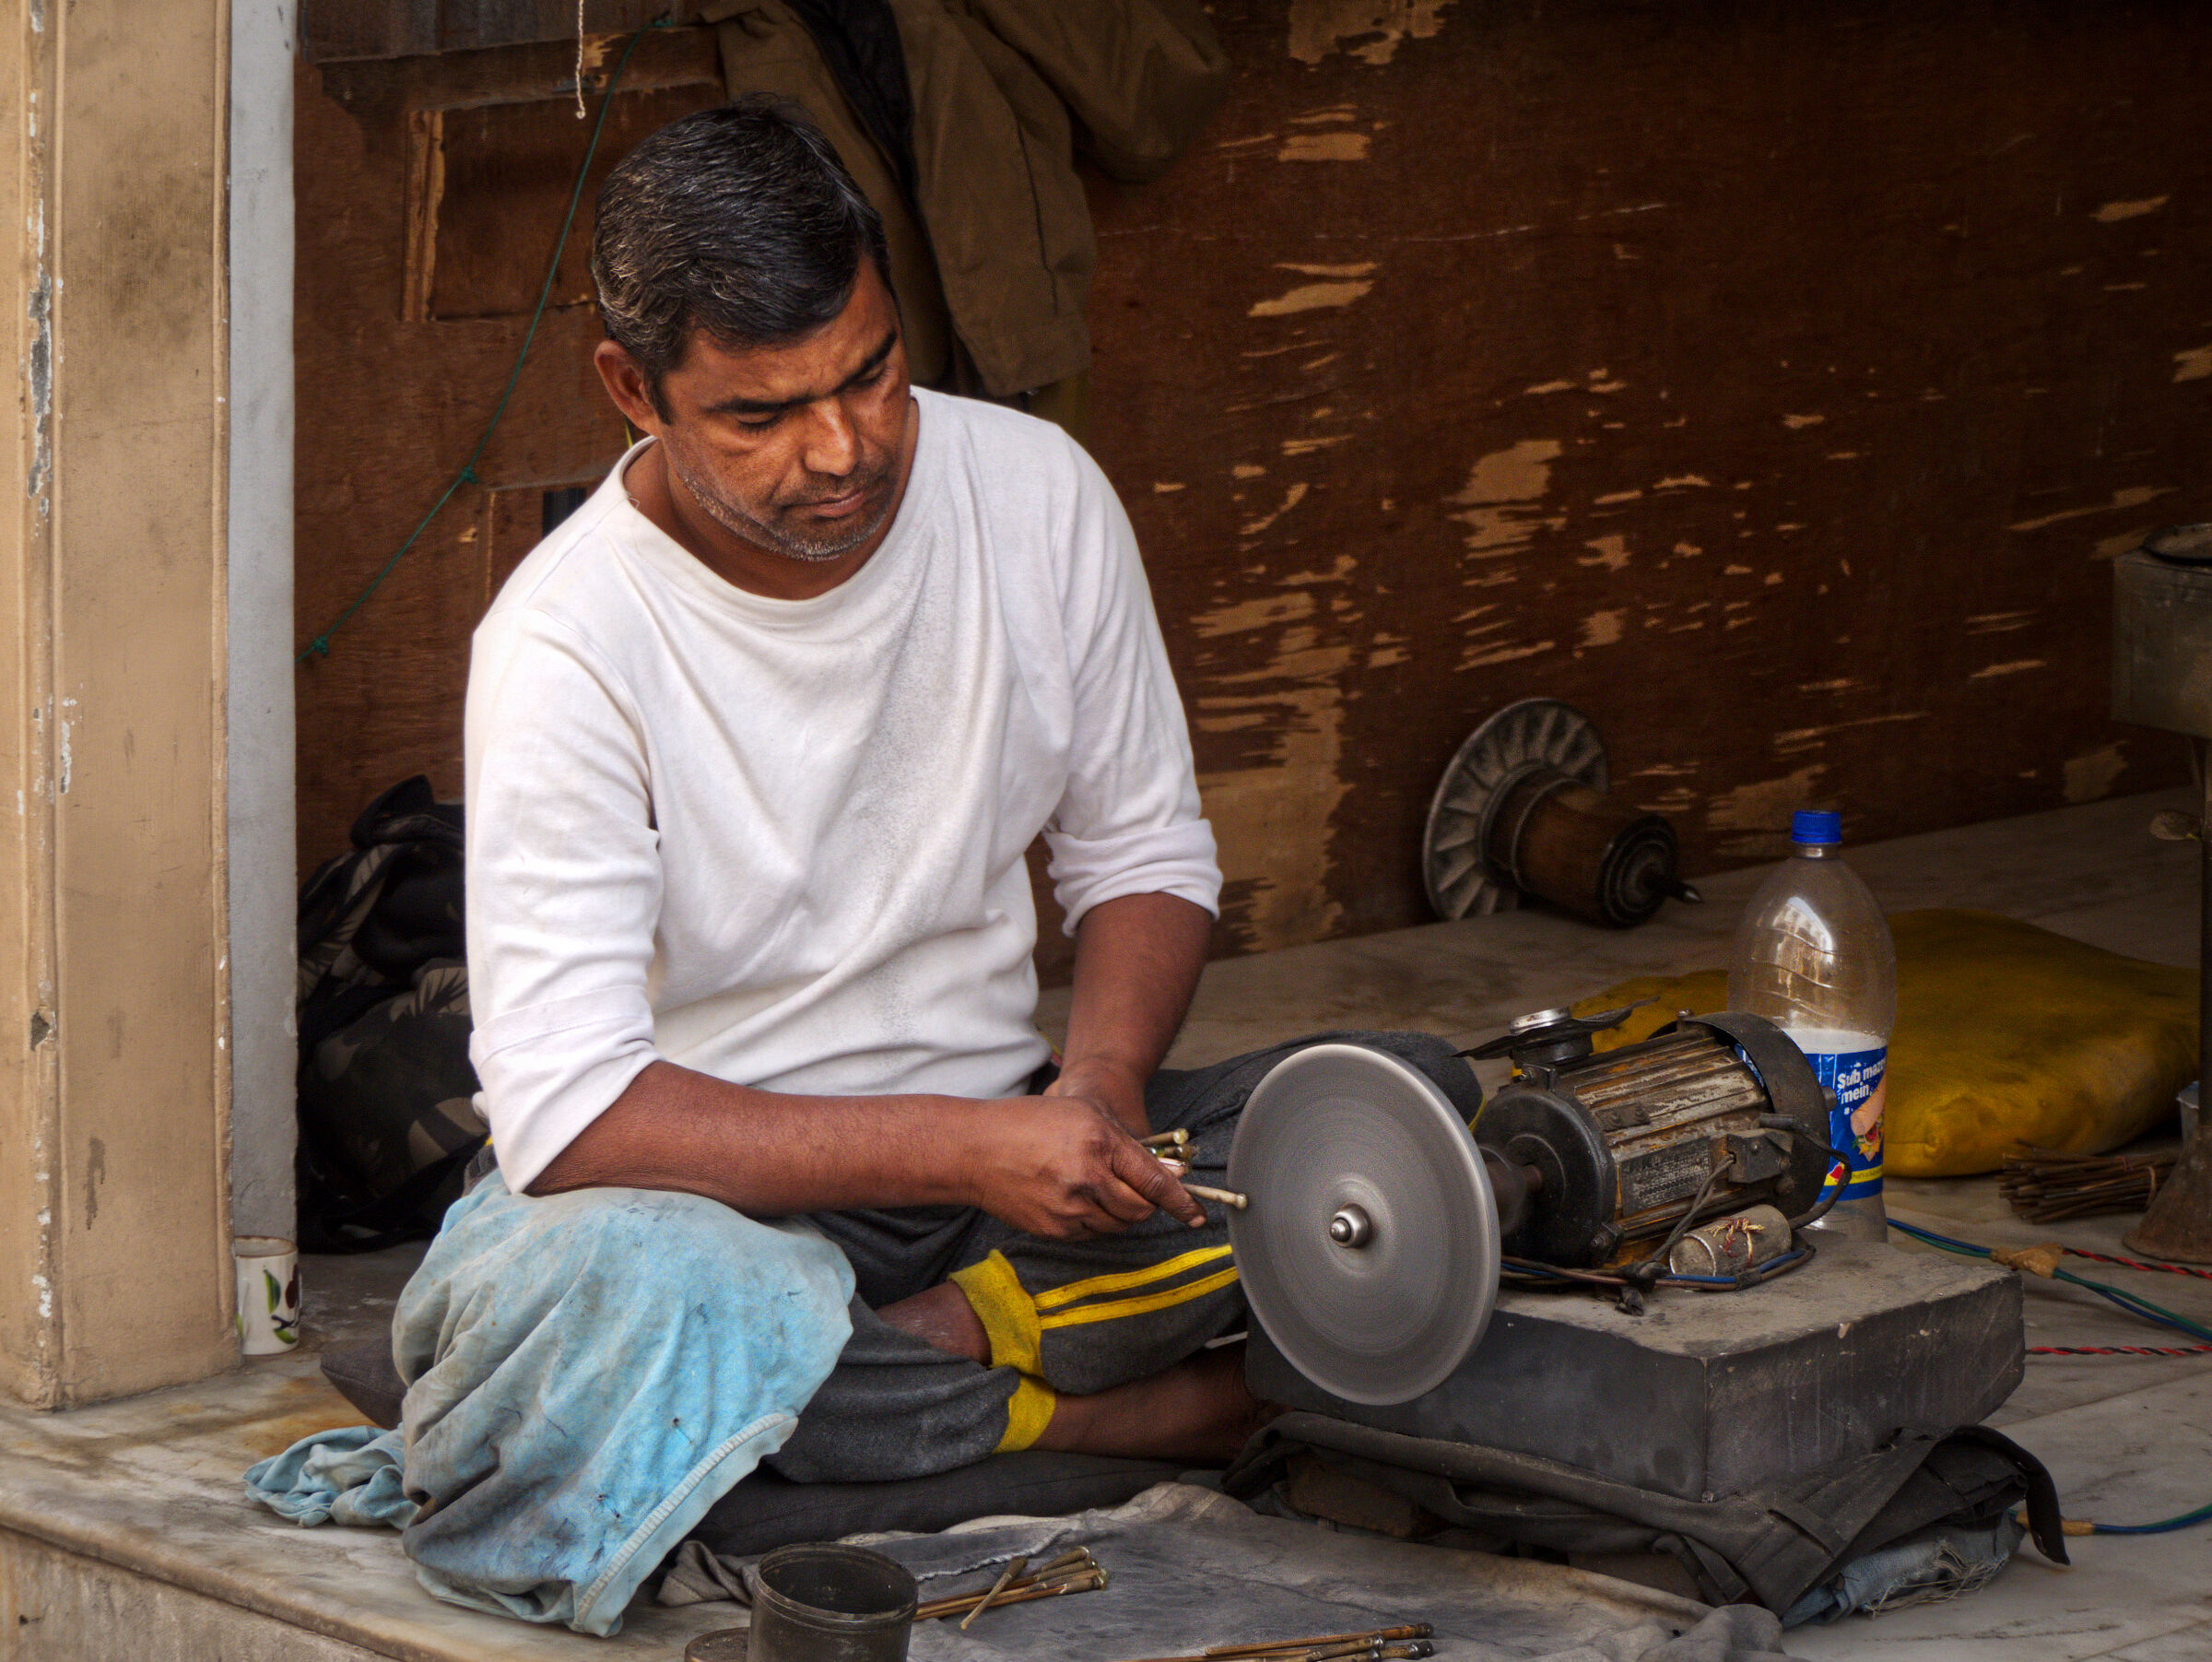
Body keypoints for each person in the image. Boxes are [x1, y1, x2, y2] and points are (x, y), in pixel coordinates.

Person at [350, 97, 1478, 1628]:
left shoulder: (1036, 493)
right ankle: (1099, 1421)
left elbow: (1142, 852)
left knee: (1407, 1111)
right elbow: (574, 1115)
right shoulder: (565, 645)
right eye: (761, 416)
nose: (845, 450)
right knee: (627, 1318)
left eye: (872, 373)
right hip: (705, 1212)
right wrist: (963, 1150)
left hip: (1001, 1179)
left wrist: (1098, 1091)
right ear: (633, 390)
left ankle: (895, 1382)